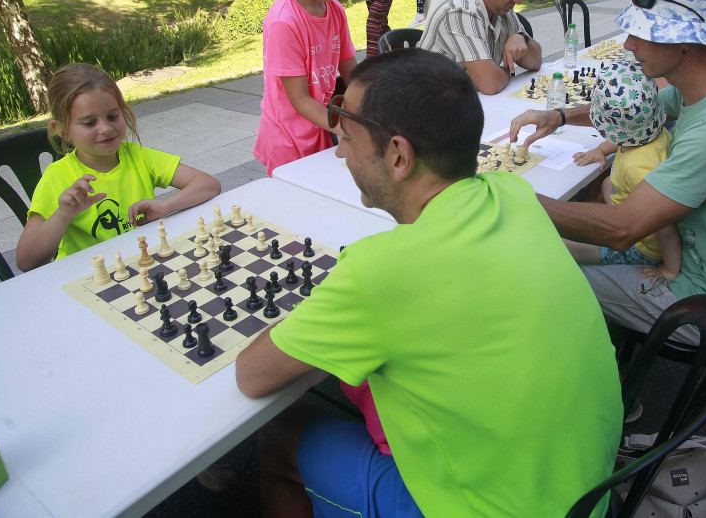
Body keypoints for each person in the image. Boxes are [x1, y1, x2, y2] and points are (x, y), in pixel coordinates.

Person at [236, 48, 622, 518]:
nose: (339, 151)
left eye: (348, 138)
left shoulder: (378, 272)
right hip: (591, 492)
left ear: (398, 155)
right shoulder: (514, 194)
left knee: (280, 435)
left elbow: (252, 375)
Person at [509, 0, 706, 342]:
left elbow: (623, 229)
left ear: (684, 43)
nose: (628, 45)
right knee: (579, 226)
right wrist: (559, 116)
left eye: (642, 33)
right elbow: (643, 107)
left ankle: (614, 393)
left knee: (544, 272)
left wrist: (512, 198)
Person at [16, 64, 221, 271]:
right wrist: (63, 214)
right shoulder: (58, 177)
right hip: (87, 277)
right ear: (62, 130)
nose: (105, 129)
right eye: (89, 123)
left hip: (140, 266)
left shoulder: (137, 156)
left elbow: (208, 184)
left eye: (112, 116)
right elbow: (26, 261)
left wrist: (166, 206)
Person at [252, 0, 362, 176]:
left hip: (321, 128)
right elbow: (300, 99)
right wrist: (346, 127)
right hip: (288, 141)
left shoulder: (335, 11)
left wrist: (372, 104)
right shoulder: (284, 22)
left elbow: (352, 73)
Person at [570, 61, 681, 281]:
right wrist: (601, 149)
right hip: (638, 211)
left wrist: (669, 269)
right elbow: (628, 135)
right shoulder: (653, 131)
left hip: (639, 245)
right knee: (606, 184)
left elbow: (665, 227)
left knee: (561, 243)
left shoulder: (639, 169)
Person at [418, 0, 542, 95]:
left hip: (464, 100)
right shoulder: (461, 10)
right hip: (430, 105)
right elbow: (490, 84)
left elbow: (536, 61)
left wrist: (523, 40)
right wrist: (506, 72)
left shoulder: (501, 8)